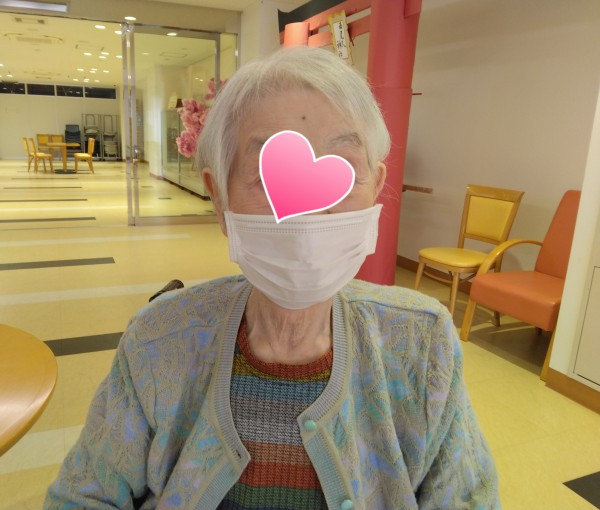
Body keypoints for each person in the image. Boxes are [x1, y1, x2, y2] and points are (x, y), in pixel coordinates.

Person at [45, 46, 499, 509]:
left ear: (376, 188)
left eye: (342, 171)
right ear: (219, 199)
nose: (309, 213)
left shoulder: (421, 346)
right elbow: (82, 497)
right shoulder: (158, 343)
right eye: (269, 175)